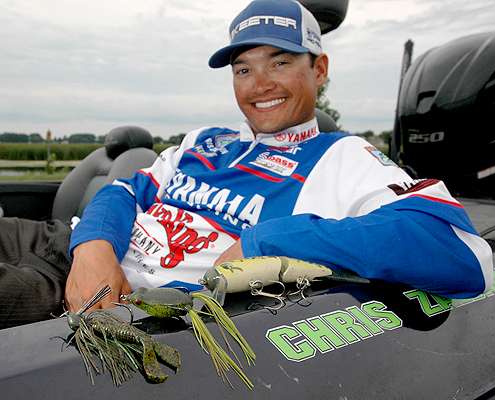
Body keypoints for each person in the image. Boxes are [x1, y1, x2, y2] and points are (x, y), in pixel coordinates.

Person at [0, 0, 492, 328]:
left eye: (279, 62)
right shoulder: (204, 140)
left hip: (124, 298)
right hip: (71, 247)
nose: (259, 86)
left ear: (318, 69)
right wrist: (93, 248)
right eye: (244, 69)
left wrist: (264, 240)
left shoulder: (346, 158)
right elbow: (126, 190)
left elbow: (466, 252)